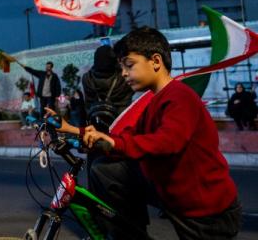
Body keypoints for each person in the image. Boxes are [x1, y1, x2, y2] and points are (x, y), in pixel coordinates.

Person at [59, 27, 242, 239]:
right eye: (121, 68)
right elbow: (127, 137)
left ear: (155, 61)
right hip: (173, 195)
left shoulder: (179, 97)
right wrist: (73, 132)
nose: (124, 73)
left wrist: (114, 144)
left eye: (129, 65)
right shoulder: (154, 102)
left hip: (206, 210)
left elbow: (167, 142)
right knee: (105, 170)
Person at [82, 44, 134, 134]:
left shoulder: (87, 78)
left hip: (96, 122)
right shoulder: (122, 78)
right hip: (121, 120)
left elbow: (88, 101)